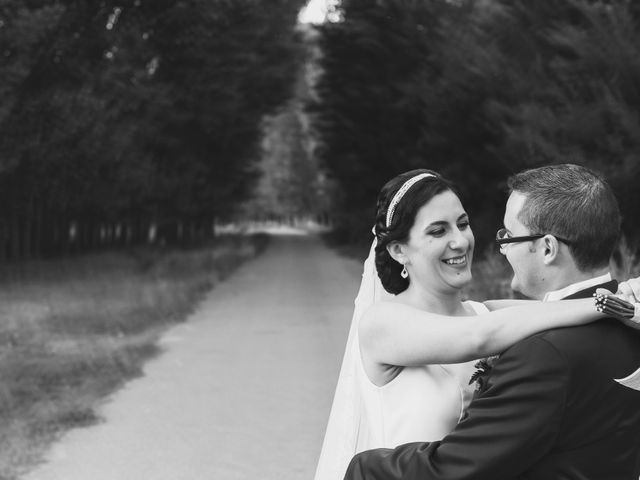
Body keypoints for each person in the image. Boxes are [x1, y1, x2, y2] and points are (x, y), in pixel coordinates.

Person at [314, 167, 640, 480]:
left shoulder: (490, 313)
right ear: (399, 250)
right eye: (438, 231)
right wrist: (610, 304)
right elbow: (480, 338)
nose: (460, 241)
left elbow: (549, 310)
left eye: (462, 223)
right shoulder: (383, 323)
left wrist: (628, 294)